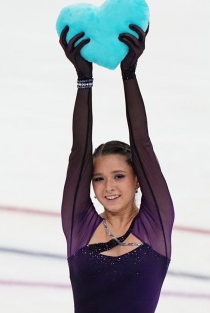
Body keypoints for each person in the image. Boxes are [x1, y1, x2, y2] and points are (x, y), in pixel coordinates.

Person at [59, 24, 174, 313]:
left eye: (119, 176)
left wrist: (129, 74)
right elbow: (79, 153)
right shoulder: (80, 225)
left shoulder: (155, 223)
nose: (108, 186)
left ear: (138, 180)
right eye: (98, 179)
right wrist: (84, 81)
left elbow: (143, 145)